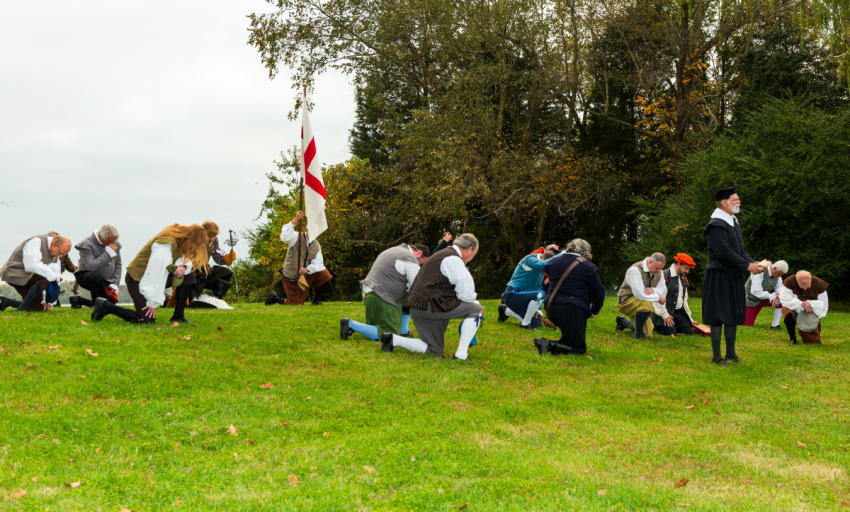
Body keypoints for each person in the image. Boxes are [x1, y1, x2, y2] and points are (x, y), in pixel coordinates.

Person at [381, 234, 483, 362]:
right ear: (469, 248)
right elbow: (466, 293)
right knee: (476, 309)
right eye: (474, 253)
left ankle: (393, 339)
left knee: (434, 350)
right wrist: (474, 304)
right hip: (432, 306)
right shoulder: (454, 259)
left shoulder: (441, 254)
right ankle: (461, 355)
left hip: (417, 307)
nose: (473, 257)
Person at [90, 224, 209, 324]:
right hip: (138, 278)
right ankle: (105, 306)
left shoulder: (181, 240)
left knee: (188, 276)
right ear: (191, 239)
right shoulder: (166, 243)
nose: (195, 248)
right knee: (146, 320)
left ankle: (178, 315)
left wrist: (183, 267)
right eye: (196, 244)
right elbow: (154, 273)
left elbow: (185, 259)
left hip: (155, 276)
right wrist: (152, 302)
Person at [702, 186, 764, 366]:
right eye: (735, 199)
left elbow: (740, 250)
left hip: (733, 274)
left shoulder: (733, 221)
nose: (739, 202)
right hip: (719, 275)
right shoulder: (715, 224)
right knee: (717, 315)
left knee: (732, 314)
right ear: (724, 202)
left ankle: (731, 354)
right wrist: (747, 266)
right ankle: (716, 357)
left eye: (738, 199)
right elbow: (724, 252)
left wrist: (754, 264)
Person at [340, 244, 430, 340]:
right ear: (419, 253)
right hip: (382, 297)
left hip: (370, 295)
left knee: (409, 295)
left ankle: (403, 331)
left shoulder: (393, 250)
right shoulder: (409, 258)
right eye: (420, 262)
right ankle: (351, 325)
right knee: (390, 335)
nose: (418, 265)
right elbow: (417, 286)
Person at [532, 239, 605, 355]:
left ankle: (558, 343)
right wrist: (593, 311)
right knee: (578, 349)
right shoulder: (587, 266)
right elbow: (599, 293)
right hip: (573, 309)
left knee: (569, 338)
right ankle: (548, 344)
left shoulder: (553, 262)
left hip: (551, 308)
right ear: (586, 253)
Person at [266, 210, 333, 306]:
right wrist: (296, 220)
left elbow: (318, 263)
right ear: (306, 229)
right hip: (291, 276)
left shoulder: (316, 245)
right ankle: (273, 298)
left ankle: (316, 301)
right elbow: (284, 237)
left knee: (324, 274)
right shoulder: (295, 237)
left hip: (305, 274)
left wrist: (307, 269)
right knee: (295, 303)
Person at [0, 233, 72, 312]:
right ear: (54, 244)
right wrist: (50, 273)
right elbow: (30, 266)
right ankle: (22, 309)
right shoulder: (36, 241)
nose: (60, 256)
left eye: (63, 254)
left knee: (38, 308)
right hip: (14, 273)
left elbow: (56, 278)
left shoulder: (56, 256)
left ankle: (5, 302)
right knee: (48, 275)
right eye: (61, 253)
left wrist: (49, 302)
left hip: (31, 278)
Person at [498, 244, 560, 330]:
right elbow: (542, 265)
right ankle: (525, 324)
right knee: (541, 293)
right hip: (512, 294)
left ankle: (505, 311)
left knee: (537, 324)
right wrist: (563, 254)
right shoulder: (530, 259)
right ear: (542, 259)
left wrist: (538, 310)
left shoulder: (540, 271)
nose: (545, 271)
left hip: (525, 299)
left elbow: (537, 288)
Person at [614, 253, 667, 339]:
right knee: (646, 305)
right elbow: (639, 294)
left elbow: (663, 288)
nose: (659, 271)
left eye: (661, 269)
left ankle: (622, 321)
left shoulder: (659, 271)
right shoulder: (635, 270)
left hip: (641, 302)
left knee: (648, 332)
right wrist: (658, 297)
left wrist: (653, 290)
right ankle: (638, 334)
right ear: (650, 262)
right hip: (626, 301)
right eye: (657, 268)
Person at [184, 221, 236, 308]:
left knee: (225, 272)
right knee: (191, 302)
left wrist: (227, 258)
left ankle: (216, 298)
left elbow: (217, 257)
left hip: (206, 271)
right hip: (192, 275)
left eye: (214, 236)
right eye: (210, 236)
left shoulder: (213, 241)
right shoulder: (192, 241)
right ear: (202, 233)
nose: (212, 239)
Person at [69, 225, 122, 309]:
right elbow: (91, 267)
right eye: (108, 242)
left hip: (106, 279)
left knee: (109, 304)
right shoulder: (86, 244)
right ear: (100, 236)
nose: (111, 244)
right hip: (86, 276)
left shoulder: (113, 243)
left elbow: (118, 264)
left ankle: (78, 300)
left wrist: (114, 283)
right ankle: (97, 307)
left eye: (113, 242)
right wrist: (108, 254)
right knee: (96, 276)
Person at [650, 253, 696, 336]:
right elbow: (657, 299)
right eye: (686, 268)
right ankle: (651, 324)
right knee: (671, 333)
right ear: (678, 264)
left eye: (688, 269)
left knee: (688, 332)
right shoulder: (663, 276)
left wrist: (689, 318)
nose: (687, 271)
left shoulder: (684, 279)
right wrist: (665, 315)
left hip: (679, 313)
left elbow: (684, 300)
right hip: (663, 314)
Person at [779, 270, 828, 344]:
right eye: (802, 286)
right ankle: (793, 338)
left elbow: (823, 303)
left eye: (807, 286)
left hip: (811, 310)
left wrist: (811, 304)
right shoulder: (789, 281)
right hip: (794, 306)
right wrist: (802, 305)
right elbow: (785, 298)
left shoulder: (820, 284)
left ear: (810, 279)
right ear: (797, 281)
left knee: (813, 342)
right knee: (788, 311)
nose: (804, 289)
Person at [744, 260, 789, 328]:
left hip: (764, 297)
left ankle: (775, 325)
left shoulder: (778, 275)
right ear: (774, 268)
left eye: (781, 275)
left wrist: (777, 298)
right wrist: (772, 296)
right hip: (751, 299)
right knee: (746, 325)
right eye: (779, 274)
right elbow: (755, 291)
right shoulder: (760, 271)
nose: (780, 276)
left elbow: (779, 288)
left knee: (782, 300)